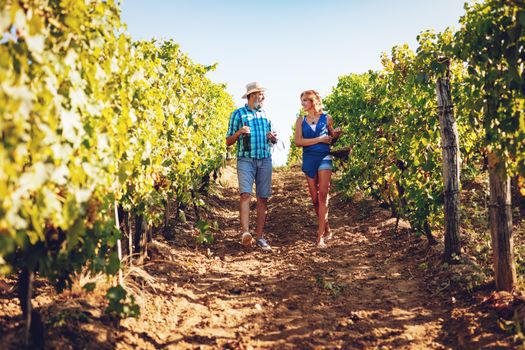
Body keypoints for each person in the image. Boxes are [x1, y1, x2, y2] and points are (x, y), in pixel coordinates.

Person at [226, 82, 277, 251]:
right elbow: (227, 141)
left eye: (263, 94)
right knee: (245, 194)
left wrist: (272, 138)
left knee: (263, 198)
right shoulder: (238, 114)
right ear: (252, 96)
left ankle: (260, 237)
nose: (263, 97)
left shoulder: (266, 115)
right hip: (245, 160)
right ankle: (245, 233)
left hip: (265, 159)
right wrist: (239, 132)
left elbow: (272, 142)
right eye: (260, 94)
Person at [294, 90, 341, 248]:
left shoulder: (327, 118)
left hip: (324, 157)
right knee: (315, 199)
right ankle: (327, 228)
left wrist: (336, 135)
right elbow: (299, 142)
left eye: (306, 100)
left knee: (323, 195)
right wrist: (319, 139)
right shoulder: (300, 121)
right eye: (302, 100)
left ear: (315, 101)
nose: (303, 103)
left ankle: (319, 237)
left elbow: (331, 138)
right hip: (309, 159)